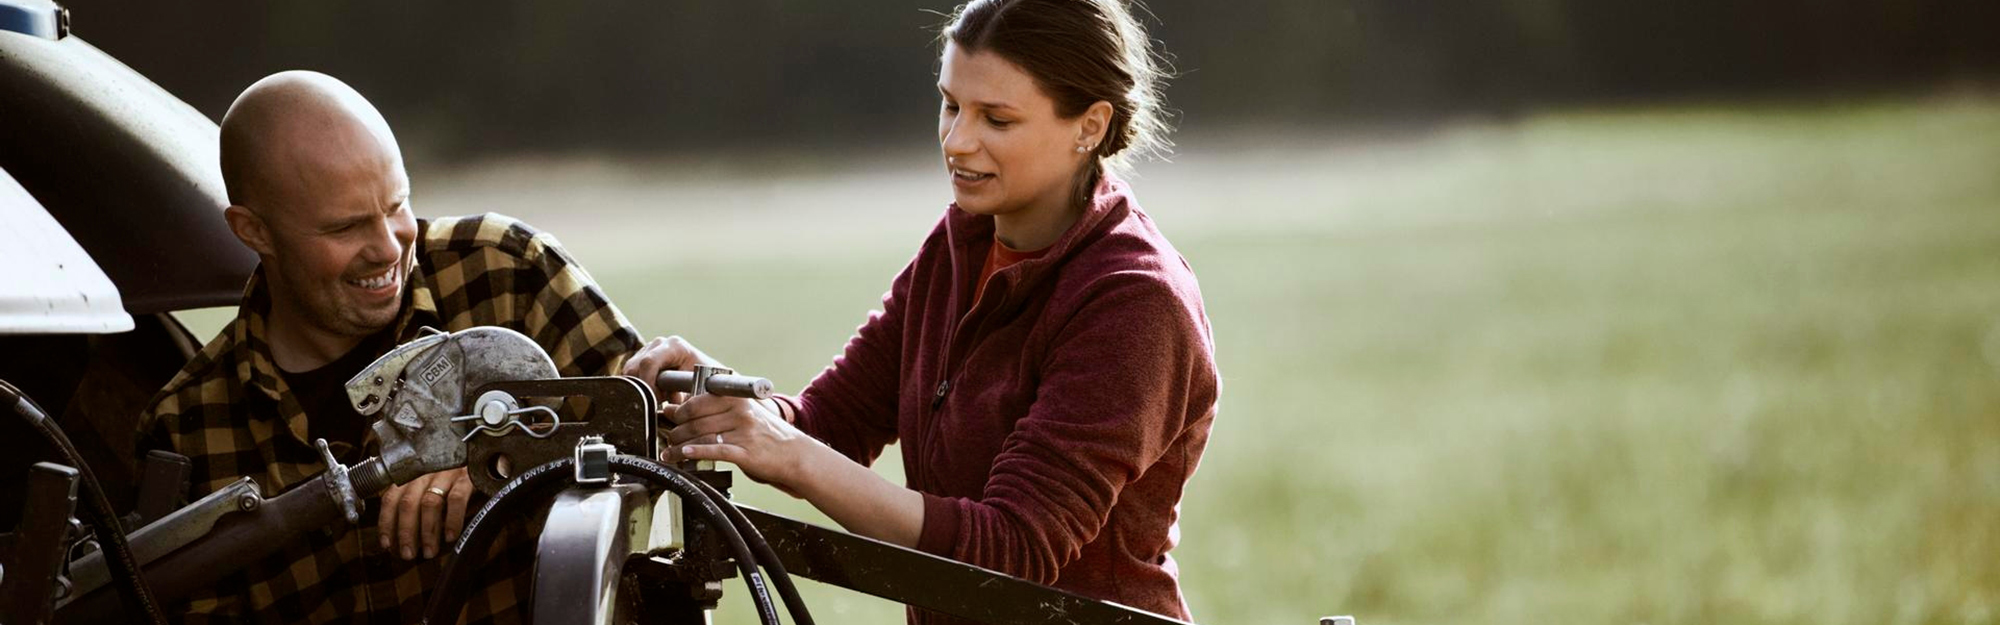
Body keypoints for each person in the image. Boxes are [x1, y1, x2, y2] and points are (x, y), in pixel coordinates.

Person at [622, 0, 1218, 621]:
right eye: (951, 104)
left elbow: (1009, 553)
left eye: (997, 118)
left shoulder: (1135, 301)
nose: (957, 141)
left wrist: (784, 450)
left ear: (1090, 125)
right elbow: (835, 419)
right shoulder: (961, 240)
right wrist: (724, 403)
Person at [137, 71, 643, 623]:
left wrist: (493, 456)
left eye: (396, 205)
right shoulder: (187, 427)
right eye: (345, 228)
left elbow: (659, 450)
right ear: (253, 231)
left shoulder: (508, 275)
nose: (387, 247)